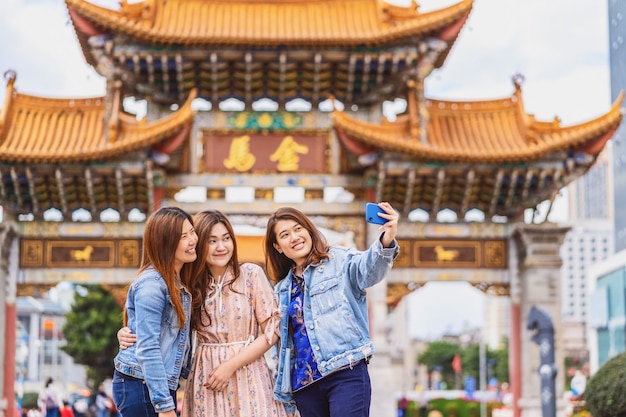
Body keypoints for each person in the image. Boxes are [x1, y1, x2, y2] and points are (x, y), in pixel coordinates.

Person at [119, 210, 288, 417]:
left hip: (248, 372)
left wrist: (231, 366)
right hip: (205, 377)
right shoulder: (190, 283)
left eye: (226, 239)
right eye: (212, 240)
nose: (221, 247)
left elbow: (273, 329)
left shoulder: (251, 274)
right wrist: (128, 333)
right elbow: (160, 325)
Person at [264, 202, 399, 417]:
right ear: (278, 246)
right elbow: (281, 343)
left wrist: (386, 238)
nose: (294, 237)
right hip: (304, 385)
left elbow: (369, 270)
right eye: (285, 234)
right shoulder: (280, 290)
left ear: (309, 230)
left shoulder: (339, 259)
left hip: (345, 372)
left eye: (298, 229)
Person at [112, 206, 198, 417]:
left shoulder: (178, 282)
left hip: (149, 383)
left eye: (192, 232)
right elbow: (148, 347)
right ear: (165, 243)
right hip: (141, 384)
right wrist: (165, 407)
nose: (192, 240)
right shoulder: (152, 285)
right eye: (183, 236)